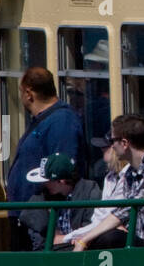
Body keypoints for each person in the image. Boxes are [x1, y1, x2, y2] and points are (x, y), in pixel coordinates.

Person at [6, 67, 89, 250]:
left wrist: (57, 223)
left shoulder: (62, 121)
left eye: (21, 92)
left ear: (29, 93)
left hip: (42, 220)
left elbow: (65, 173)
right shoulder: (40, 120)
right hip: (26, 215)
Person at [70, 114, 144, 250]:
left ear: (124, 143)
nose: (111, 146)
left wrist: (85, 239)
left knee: (108, 238)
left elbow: (127, 210)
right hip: (140, 243)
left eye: (112, 141)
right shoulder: (129, 172)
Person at [19, 153, 101, 252]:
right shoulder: (42, 196)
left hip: (82, 252)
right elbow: (40, 240)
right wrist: (60, 238)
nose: (44, 184)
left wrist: (63, 238)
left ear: (61, 181)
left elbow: (90, 231)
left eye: (47, 181)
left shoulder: (89, 192)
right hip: (53, 253)